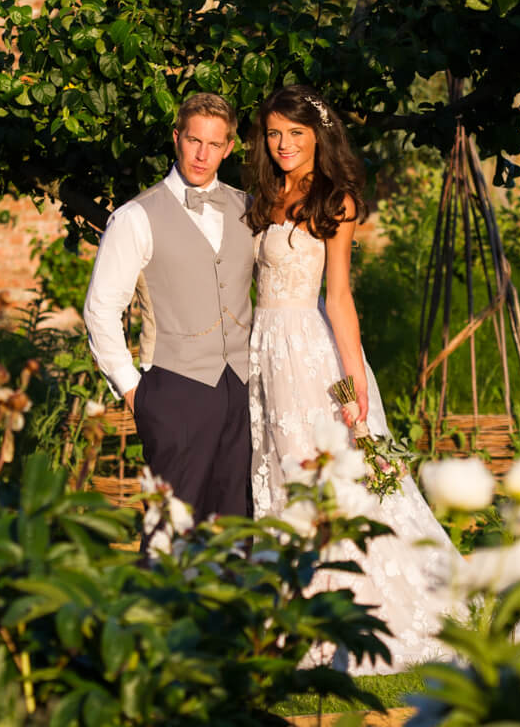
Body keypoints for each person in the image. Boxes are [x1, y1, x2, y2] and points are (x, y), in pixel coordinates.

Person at [245, 84, 460, 673]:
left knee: (334, 470)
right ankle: (286, 605)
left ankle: (339, 607)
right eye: (274, 133)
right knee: (280, 473)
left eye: (296, 133)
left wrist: (353, 382)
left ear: (318, 135)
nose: (284, 144)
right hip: (263, 352)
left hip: (311, 356)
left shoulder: (334, 200)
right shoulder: (264, 193)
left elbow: (338, 297)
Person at [83, 92, 254, 520]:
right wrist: (133, 392)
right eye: (194, 140)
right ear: (176, 138)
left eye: (214, 144)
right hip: (174, 386)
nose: (202, 154)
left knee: (241, 529)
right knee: (172, 529)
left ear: (229, 148)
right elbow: (100, 310)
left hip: (245, 387)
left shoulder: (249, 209)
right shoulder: (135, 217)